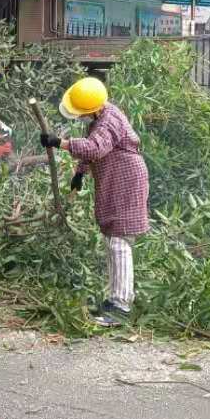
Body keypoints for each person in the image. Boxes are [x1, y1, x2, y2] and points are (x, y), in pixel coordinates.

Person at [41, 76, 149, 327]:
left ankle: (121, 307)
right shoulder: (100, 116)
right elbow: (94, 151)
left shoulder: (108, 120)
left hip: (127, 181)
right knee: (113, 238)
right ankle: (116, 299)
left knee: (119, 240)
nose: (79, 117)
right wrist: (80, 173)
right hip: (116, 180)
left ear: (91, 108)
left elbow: (94, 148)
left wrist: (61, 143)